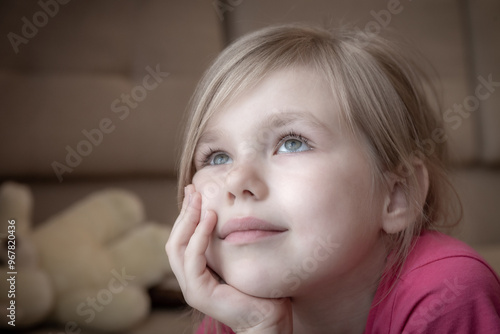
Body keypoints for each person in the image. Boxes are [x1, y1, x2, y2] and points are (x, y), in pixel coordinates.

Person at [165, 23, 500, 333]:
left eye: (291, 143)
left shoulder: (448, 293)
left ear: (397, 194)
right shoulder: (232, 311)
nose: (236, 181)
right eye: (217, 157)